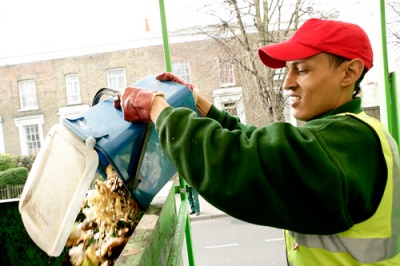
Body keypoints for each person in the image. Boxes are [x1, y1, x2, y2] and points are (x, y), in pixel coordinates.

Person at [114, 18, 400, 265]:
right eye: (287, 70)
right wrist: (199, 104)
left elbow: (239, 161)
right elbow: (260, 144)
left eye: (301, 70)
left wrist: (157, 109)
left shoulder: (349, 141)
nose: (287, 83)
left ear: (349, 72)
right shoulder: (348, 132)